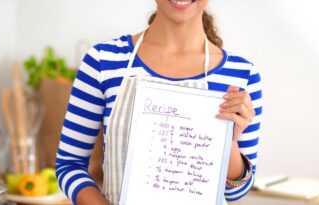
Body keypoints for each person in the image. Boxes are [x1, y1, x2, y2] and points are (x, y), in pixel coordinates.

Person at [55, 0, 262, 204]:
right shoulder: (103, 61)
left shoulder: (242, 76)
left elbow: (236, 193)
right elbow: (69, 164)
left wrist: (229, 140)